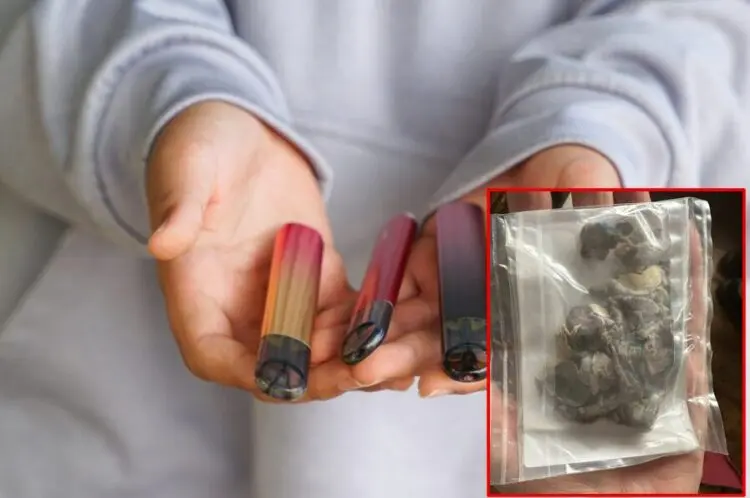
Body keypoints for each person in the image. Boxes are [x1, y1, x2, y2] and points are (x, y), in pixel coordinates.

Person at [0, 1, 747, 497]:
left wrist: (605, 124)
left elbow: (710, 27)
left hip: (509, 418)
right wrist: (165, 101)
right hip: (108, 426)